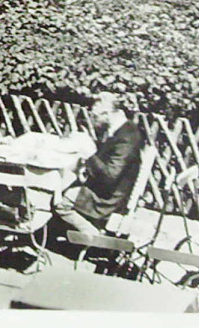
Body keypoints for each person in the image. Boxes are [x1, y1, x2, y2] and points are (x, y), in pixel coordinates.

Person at [53, 92, 145, 234]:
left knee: (61, 201)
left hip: (109, 198)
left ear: (107, 114)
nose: (93, 120)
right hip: (103, 190)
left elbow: (109, 176)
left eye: (95, 117)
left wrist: (89, 153)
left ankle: (94, 236)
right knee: (58, 187)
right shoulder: (116, 131)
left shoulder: (128, 137)